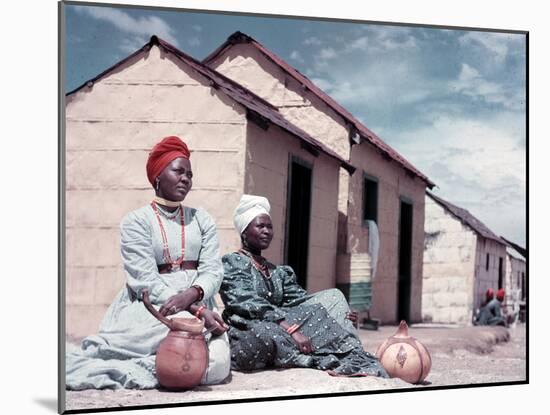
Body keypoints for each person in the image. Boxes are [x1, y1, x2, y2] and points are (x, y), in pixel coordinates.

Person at [66, 136, 231, 390]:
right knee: (171, 356)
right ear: (158, 176)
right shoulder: (136, 222)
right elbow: (144, 279)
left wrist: (193, 298)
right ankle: (158, 364)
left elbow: (212, 270)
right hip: (152, 306)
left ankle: (165, 366)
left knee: (217, 367)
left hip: (200, 303)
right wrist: (190, 309)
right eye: (178, 171)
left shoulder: (202, 220)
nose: (186, 178)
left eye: (190, 174)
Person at [219, 194, 388, 377]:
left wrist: (336, 313)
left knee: (334, 297)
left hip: (281, 327)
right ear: (244, 232)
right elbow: (245, 301)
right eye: (260, 226)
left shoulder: (277, 271)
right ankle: (311, 358)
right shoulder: (232, 262)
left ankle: (354, 355)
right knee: (266, 333)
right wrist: (289, 327)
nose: (267, 231)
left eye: (269, 226)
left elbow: (302, 302)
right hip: (248, 329)